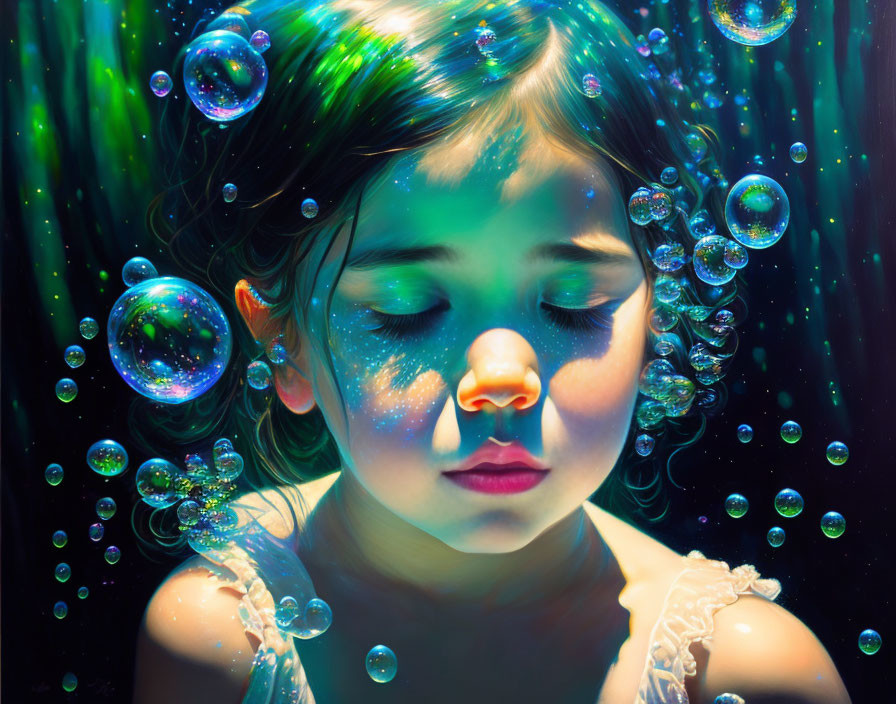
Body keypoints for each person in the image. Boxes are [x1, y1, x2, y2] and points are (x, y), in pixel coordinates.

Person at [133, 0, 852, 701]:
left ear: (658, 318)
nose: (503, 377)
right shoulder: (222, 635)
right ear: (283, 343)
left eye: (572, 306)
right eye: (406, 311)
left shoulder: (741, 674)